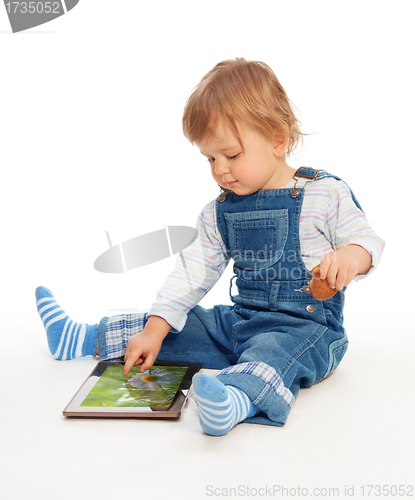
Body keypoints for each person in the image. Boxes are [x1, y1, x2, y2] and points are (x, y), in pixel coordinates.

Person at [35, 58, 385, 436]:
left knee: (273, 352)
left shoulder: (324, 193)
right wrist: (155, 328)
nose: (220, 170)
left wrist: (351, 257)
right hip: (241, 321)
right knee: (183, 325)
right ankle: (82, 337)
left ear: (277, 139)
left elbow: (368, 240)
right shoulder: (219, 211)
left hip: (308, 329)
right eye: (210, 158)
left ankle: (235, 401)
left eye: (231, 155)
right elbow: (192, 273)